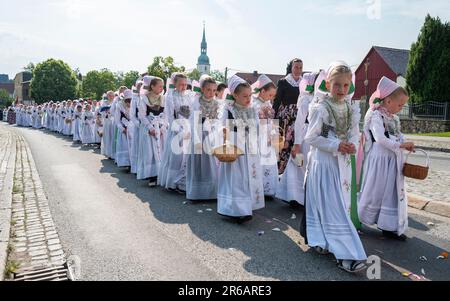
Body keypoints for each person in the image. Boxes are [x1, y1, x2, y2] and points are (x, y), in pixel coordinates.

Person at [302, 61, 367, 273]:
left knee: (340, 206)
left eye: (345, 85)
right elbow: (311, 137)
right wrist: (336, 145)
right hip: (325, 163)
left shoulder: (350, 107)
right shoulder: (321, 107)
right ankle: (348, 254)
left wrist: (351, 145)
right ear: (328, 84)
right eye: (337, 85)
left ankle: (326, 241)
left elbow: (355, 134)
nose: (341, 90)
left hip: (344, 163)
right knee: (333, 207)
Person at [358, 76, 413, 241]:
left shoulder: (394, 118)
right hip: (380, 159)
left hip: (393, 159)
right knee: (376, 190)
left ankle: (389, 226)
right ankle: (361, 217)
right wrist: (400, 145)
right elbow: (380, 139)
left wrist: (404, 142)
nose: (401, 107)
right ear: (388, 101)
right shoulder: (376, 115)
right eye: (400, 104)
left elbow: (398, 135)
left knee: (392, 192)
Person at [216, 75, 264, 224]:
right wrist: (224, 132)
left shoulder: (252, 110)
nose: (248, 98)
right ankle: (234, 209)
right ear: (235, 95)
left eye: (250, 95)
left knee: (247, 177)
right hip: (234, 147)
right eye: (245, 96)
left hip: (249, 147)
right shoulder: (228, 109)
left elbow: (256, 126)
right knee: (235, 178)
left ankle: (246, 207)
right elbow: (220, 127)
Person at [277, 73, 319, 207]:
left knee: (307, 166)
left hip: (315, 136)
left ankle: (303, 196)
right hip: (305, 135)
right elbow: (300, 122)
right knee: (299, 164)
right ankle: (294, 195)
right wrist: (297, 143)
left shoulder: (320, 99)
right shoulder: (306, 99)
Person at [186, 75, 221, 201]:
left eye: (213, 90)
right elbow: (194, 121)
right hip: (199, 133)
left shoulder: (217, 103)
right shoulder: (197, 102)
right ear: (202, 90)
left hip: (211, 133)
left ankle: (210, 192)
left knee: (210, 163)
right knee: (198, 162)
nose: (211, 93)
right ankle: (196, 193)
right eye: (208, 90)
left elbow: (218, 119)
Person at [158, 73, 193, 193]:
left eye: (185, 84)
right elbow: (170, 116)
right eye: (181, 84)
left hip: (188, 127)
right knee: (177, 157)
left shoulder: (188, 95)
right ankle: (173, 182)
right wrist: (180, 131)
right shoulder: (170, 96)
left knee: (186, 156)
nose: (184, 87)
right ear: (175, 84)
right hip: (177, 128)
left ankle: (183, 182)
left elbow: (192, 112)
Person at [273, 58, 304, 174]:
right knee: (283, 144)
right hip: (285, 118)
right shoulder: (283, 82)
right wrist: (273, 119)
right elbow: (277, 101)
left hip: (299, 117)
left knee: (296, 143)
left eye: (300, 67)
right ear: (291, 67)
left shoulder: (304, 83)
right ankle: (279, 171)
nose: (298, 70)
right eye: (296, 67)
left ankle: (293, 174)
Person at [251, 74, 279, 198]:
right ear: (262, 91)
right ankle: (258, 188)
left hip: (268, 136)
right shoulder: (254, 104)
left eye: (273, 96)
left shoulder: (268, 103)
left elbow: (271, 121)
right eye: (270, 95)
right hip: (259, 136)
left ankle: (268, 189)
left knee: (269, 162)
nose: (271, 98)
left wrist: (274, 132)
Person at [137, 76, 166, 186]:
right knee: (150, 152)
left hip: (161, 127)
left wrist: (163, 127)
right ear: (152, 86)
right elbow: (142, 115)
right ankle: (152, 176)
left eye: (162, 86)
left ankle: (161, 174)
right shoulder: (144, 98)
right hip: (149, 128)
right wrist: (150, 128)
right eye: (159, 86)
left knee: (161, 151)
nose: (161, 88)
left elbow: (166, 114)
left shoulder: (163, 98)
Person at [115, 90, 132, 168]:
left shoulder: (134, 106)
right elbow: (117, 120)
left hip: (132, 129)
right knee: (125, 146)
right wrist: (123, 129)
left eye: (131, 100)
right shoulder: (119, 106)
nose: (129, 103)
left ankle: (132, 163)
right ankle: (125, 163)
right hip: (124, 130)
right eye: (127, 101)